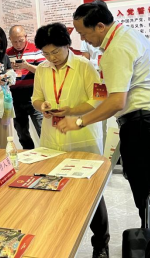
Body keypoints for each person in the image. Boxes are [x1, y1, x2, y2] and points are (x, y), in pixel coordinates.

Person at [71, 0, 150, 231]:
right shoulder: (126, 36)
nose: (83, 39)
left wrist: (79, 121)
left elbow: (117, 101)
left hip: (143, 125)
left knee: (148, 194)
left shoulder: (117, 48)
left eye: (83, 33)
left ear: (100, 26)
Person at [31, 23, 109, 258]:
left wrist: (72, 111)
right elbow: (36, 98)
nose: (51, 58)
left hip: (81, 136)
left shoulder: (85, 66)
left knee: (91, 192)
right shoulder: (42, 69)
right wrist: (43, 107)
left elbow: (98, 99)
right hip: (52, 139)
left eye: (55, 51)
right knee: (54, 189)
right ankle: (59, 242)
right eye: (46, 53)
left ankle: (101, 244)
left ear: (67, 45)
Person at [6, 25, 44, 149]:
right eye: (14, 41)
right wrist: (10, 69)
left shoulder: (36, 50)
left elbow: (43, 71)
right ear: (10, 39)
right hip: (15, 98)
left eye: (21, 40)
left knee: (42, 129)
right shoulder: (7, 54)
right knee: (21, 132)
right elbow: (3, 74)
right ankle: (29, 153)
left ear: (26, 37)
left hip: (34, 96)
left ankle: (48, 152)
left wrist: (27, 66)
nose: (18, 44)